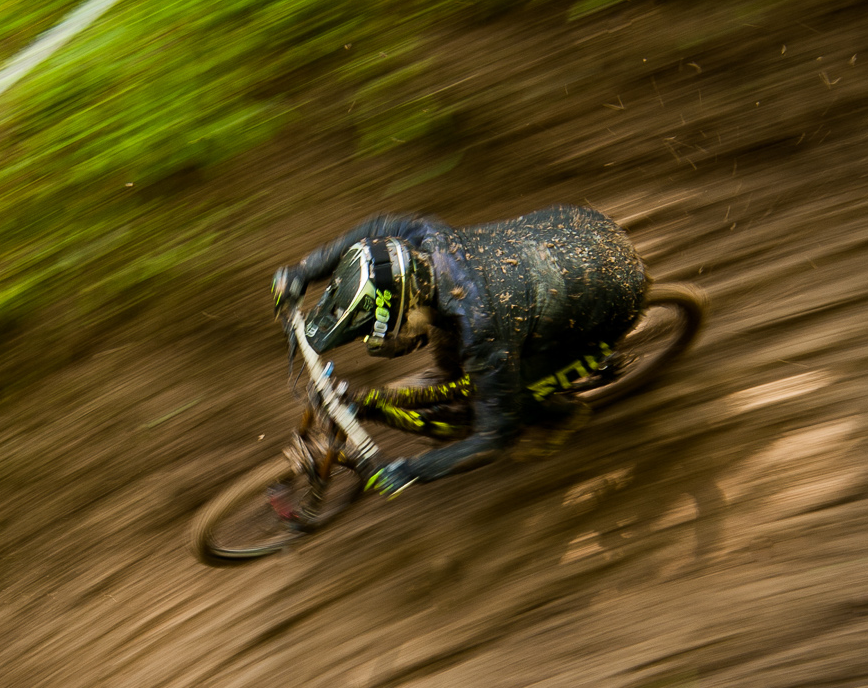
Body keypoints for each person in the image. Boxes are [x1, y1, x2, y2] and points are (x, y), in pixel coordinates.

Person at [269, 204, 649, 496]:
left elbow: (493, 438)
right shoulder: (424, 241)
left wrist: (410, 471)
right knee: (453, 359)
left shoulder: (484, 334)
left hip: (615, 297)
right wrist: (305, 270)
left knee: (512, 399)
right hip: (577, 227)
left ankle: (563, 416)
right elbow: (375, 230)